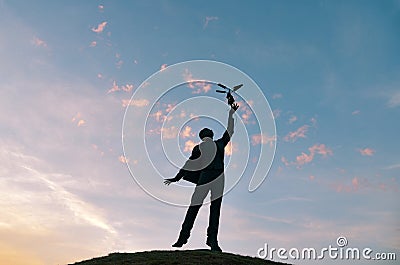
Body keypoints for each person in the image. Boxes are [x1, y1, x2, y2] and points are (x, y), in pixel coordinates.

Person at [164, 103, 239, 252]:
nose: (207, 133)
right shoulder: (198, 147)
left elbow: (230, 131)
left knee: (215, 210)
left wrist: (231, 114)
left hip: (218, 178)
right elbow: (189, 164)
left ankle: (212, 241)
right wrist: (177, 177)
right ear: (203, 136)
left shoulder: (219, 143)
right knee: (194, 207)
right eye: (206, 132)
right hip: (205, 178)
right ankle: (183, 237)